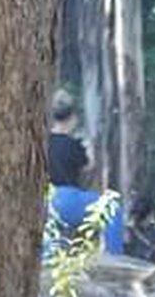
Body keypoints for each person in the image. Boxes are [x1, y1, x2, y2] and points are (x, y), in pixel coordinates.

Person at [45, 89, 126, 255]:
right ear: (73, 118)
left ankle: (45, 260)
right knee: (112, 209)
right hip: (68, 197)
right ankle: (114, 256)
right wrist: (89, 148)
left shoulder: (45, 142)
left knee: (50, 231)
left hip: (46, 199)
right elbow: (88, 166)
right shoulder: (74, 145)